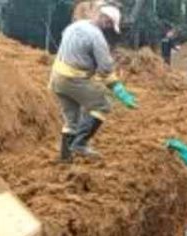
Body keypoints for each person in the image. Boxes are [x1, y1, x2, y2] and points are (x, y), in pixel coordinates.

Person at [50, 4, 138, 163]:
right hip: (72, 78)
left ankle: (65, 159)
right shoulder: (97, 37)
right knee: (103, 105)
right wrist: (119, 90)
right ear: (106, 19)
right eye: (110, 24)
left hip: (56, 78)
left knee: (72, 119)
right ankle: (80, 143)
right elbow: (105, 69)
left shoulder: (75, 26)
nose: (109, 28)